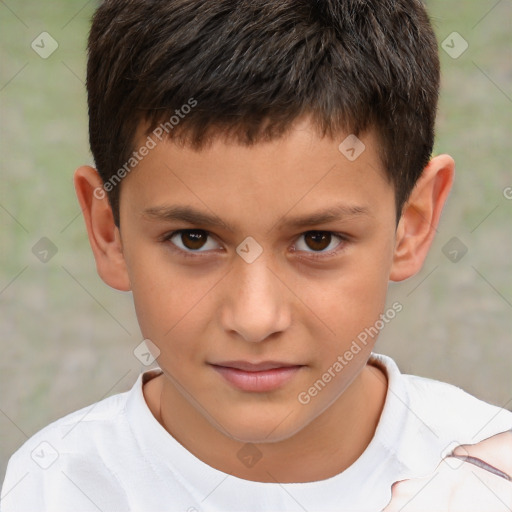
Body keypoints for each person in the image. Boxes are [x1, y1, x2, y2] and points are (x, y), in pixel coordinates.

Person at [1, 1, 511, 510]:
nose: (254, 318)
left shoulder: (489, 480)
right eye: (193, 239)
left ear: (412, 224)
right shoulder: (52, 486)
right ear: (108, 231)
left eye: (317, 240)